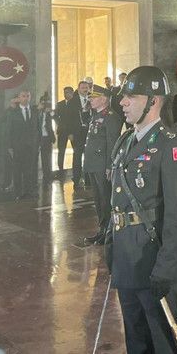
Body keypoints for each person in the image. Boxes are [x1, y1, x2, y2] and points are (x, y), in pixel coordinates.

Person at [108, 66, 177, 353]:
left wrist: (166, 268)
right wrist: (111, 246)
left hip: (154, 259)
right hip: (127, 257)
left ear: (153, 101)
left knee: (162, 338)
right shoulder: (125, 141)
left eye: (131, 97)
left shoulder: (171, 146)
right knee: (135, 336)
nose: (122, 102)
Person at [83, 84, 121, 245]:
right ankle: (102, 229)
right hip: (93, 163)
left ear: (104, 99)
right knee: (98, 200)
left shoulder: (111, 117)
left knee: (105, 199)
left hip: (102, 165)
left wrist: (109, 166)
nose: (90, 100)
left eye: (94, 97)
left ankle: (109, 231)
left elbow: (112, 143)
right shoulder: (96, 115)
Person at [6, 90, 38, 200]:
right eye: (23, 96)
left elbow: (37, 128)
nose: (25, 98)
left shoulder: (34, 111)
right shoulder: (13, 112)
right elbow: (9, 130)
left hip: (31, 146)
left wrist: (37, 143)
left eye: (28, 96)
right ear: (19, 98)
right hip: (17, 146)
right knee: (17, 170)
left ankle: (29, 191)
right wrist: (10, 146)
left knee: (29, 170)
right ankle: (18, 192)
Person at [67, 80, 92, 188]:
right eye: (83, 88)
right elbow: (68, 119)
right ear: (78, 89)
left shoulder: (92, 99)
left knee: (89, 156)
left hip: (90, 132)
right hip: (77, 133)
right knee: (77, 156)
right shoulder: (72, 101)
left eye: (86, 87)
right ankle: (76, 178)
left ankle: (88, 179)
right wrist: (70, 133)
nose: (85, 90)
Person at [54, 86, 75, 181]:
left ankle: (76, 171)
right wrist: (60, 124)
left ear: (72, 93)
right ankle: (60, 172)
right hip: (62, 132)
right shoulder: (60, 104)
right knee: (61, 151)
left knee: (76, 151)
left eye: (68, 92)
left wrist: (72, 131)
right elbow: (55, 116)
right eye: (65, 92)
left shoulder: (76, 104)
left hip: (73, 132)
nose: (66, 94)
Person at [36, 96, 55, 183]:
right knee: (36, 158)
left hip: (47, 137)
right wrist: (38, 109)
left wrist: (51, 113)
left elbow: (56, 120)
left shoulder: (49, 113)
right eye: (43, 103)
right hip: (38, 138)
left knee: (47, 158)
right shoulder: (36, 111)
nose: (45, 105)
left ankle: (47, 176)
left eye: (47, 103)